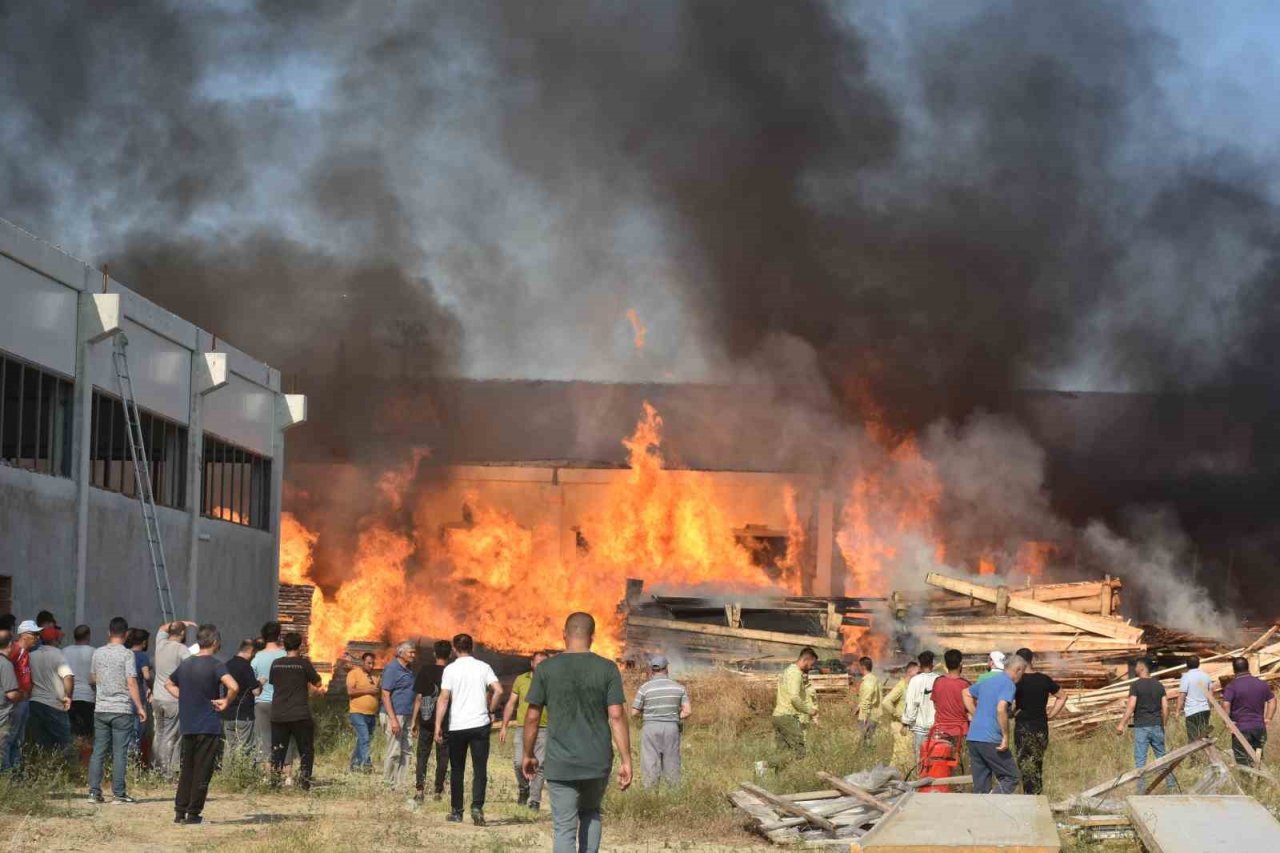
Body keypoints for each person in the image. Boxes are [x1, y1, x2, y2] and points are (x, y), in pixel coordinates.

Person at [523, 612, 631, 853]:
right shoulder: (607, 668)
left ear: (564, 635)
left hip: (560, 762)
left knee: (563, 826)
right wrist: (626, 759)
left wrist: (528, 753)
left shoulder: (546, 669)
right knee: (591, 813)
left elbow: (532, 716)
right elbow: (616, 715)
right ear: (592, 637)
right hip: (597, 760)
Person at [167, 624, 237, 824]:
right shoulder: (216, 665)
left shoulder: (186, 663)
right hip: (208, 724)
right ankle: (194, 814)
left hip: (188, 724)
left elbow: (168, 684)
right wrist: (226, 701)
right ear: (215, 642)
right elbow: (233, 686)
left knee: (187, 768)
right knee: (202, 770)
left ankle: (180, 811)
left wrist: (184, 696)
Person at [435, 633, 501, 825]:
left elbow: (444, 698)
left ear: (455, 649)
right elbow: (498, 690)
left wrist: (438, 724)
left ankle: (457, 811)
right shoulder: (483, 667)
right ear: (472, 647)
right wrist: (490, 710)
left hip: (457, 726)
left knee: (457, 769)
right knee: (480, 769)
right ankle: (477, 808)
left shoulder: (450, 669)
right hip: (479, 725)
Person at [88, 617, 146, 804]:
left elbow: (92, 679)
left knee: (98, 751)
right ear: (126, 634)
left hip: (101, 708)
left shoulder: (97, 653)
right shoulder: (127, 654)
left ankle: (94, 792)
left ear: (108, 632)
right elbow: (131, 681)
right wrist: (139, 706)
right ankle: (118, 793)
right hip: (121, 709)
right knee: (119, 752)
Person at [963, 653, 1026, 794]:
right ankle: (992, 801)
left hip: (973, 737)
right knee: (1012, 777)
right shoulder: (1008, 684)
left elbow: (966, 693)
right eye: (1023, 672)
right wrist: (1005, 736)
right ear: (1019, 669)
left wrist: (976, 714)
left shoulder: (989, 681)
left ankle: (982, 812)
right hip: (990, 738)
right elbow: (1001, 708)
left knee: (981, 786)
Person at [268, 632, 322, 791]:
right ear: (300, 645)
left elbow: (273, 683)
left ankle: (275, 783)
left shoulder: (276, 664)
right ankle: (304, 782)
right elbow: (318, 683)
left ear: (284, 645)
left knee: (278, 749)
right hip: (300, 714)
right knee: (305, 749)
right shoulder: (303, 664)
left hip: (278, 714)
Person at [630, 654, 690, 789]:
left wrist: (648, 714)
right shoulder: (679, 688)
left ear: (652, 670)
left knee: (650, 761)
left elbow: (634, 712)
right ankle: (673, 792)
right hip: (671, 728)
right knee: (672, 761)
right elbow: (687, 711)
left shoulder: (644, 688)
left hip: (650, 728)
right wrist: (675, 716)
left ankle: (650, 794)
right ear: (666, 668)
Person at [1011, 648, 1065, 795]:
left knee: (1024, 764)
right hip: (1041, 726)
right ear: (1032, 660)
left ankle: (1029, 797)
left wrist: (1012, 712)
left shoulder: (1017, 681)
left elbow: (1008, 704)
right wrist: (1051, 715)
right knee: (1037, 762)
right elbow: (1062, 697)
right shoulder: (1044, 679)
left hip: (1023, 727)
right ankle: (1037, 796)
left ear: (1018, 662)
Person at [1115, 657, 1173, 790]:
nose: (1135, 668)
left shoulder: (1136, 685)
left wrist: (1121, 724)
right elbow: (1165, 707)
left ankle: (1141, 790)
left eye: (1136, 666)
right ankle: (1171, 786)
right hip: (1157, 725)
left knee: (1140, 761)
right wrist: (1163, 724)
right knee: (1162, 758)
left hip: (1142, 727)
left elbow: (1131, 706)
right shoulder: (1159, 685)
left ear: (1141, 668)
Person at [502, 650, 551, 805]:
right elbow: (511, 703)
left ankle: (534, 800)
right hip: (522, 727)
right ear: (532, 663)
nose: (542, 665)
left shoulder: (553, 681)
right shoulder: (521, 680)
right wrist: (504, 726)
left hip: (544, 728)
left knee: (540, 763)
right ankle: (524, 789)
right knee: (518, 762)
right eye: (538, 662)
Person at [26, 618, 75, 763]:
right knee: (64, 741)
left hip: (35, 703)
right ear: (55, 640)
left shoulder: (31, 655)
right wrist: (68, 696)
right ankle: (69, 772)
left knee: (40, 743)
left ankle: (41, 769)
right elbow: (68, 677)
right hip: (54, 704)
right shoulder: (58, 654)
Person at [412, 640, 452, 802]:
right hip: (446, 720)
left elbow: (419, 698)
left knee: (422, 755)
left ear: (434, 653)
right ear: (450, 655)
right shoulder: (452, 672)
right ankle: (437, 791)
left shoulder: (426, 671)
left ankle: (420, 790)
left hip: (426, 719)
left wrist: (414, 720)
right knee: (443, 756)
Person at [153, 620, 194, 777]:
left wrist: (181, 622)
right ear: (183, 634)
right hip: (173, 698)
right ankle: (167, 772)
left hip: (157, 696)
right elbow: (191, 666)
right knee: (172, 736)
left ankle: (156, 767)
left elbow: (161, 627)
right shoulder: (182, 649)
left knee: (159, 733)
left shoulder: (160, 643)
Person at [1222, 656, 1276, 765]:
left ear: (1234, 669)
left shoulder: (1232, 686)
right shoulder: (1261, 684)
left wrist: (1228, 721)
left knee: (1242, 759)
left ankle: (1246, 781)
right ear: (1248, 667)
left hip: (1240, 728)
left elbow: (1226, 704)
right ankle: (1258, 780)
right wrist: (1268, 718)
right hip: (1259, 728)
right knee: (1258, 758)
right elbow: (1272, 700)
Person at [251, 621, 289, 771]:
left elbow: (252, 684)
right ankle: (287, 776)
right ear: (279, 636)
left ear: (263, 636)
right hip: (283, 703)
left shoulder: (257, 658)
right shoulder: (285, 655)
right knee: (285, 739)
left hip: (262, 704)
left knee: (264, 740)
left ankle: (267, 776)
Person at [381, 640, 418, 787]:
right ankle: (388, 783)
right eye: (411, 652)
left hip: (407, 714)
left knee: (407, 750)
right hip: (395, 714)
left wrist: (415, 720)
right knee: (394, 750)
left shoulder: (409, 669)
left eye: (414, 652)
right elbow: (385, 694)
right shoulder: (392, 669)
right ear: (401, 653)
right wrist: (393, 719)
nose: (414, 655)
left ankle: (400, 784)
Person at [772, 647, 819, 759]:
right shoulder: (796, 674)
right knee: (800, 752)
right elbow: (794, 698)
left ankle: (766, 769)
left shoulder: (787, 671)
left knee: (782, 752)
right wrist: (810, 710)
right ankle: (765, 765)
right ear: (807, 659)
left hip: (778, 716)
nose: (812, 667)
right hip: (788, 717)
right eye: (812, 664)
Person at [880, 660, 920, 776]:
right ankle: (892, 778)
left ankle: (901, 778)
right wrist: (900, 716)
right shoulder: (901, 685)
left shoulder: (910, 686)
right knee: (901, 755)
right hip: (900, 726)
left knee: (907, 755)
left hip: (907, 726)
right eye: (917, 673)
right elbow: (886, 701)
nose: (919, 676)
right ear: (910, 672)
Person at [4, 619, 34, 770]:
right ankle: (6, 774)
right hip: (15, 701)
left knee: (18, 739)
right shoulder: (15, 650)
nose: (37, 638)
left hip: (23, 700)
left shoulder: (25, 652)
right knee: (10, 738)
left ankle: (16, 773)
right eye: (35, 635)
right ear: (25, 635)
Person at [222, 639, 259, 762]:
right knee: (245, 747)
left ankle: (227, 776)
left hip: (228, 713)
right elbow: (256, 691)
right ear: (250, 651)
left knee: (229, 746)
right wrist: (260, 683)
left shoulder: (227, 664)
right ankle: (242, 775)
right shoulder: (246, 667)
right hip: (244, 714)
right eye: (254, 654)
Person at [903, 650, 940, 763]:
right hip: (937, 728)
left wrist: (907, 721)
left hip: (920, 727)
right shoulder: (939, 679)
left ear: (920, 665)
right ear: (932, 663)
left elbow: (911, 704)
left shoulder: (915, 681)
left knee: (920, 761)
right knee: (936, 760)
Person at [346, 651, 380, 772]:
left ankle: (355, 764)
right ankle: (367, 765)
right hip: (357, 712)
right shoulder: (353, 674)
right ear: (362, 662)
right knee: (364, 737)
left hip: (371, 714)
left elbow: (377, 693)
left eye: (372, 663)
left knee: (363, 739)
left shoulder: (376, 677)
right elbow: (350, 691)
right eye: (368, 663)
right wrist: (368, 691)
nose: (371, 666)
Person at [931, 649, 971, 749]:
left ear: (946, 663)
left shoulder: (938, 682)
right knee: (960, 762)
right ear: (960, 664)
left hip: (940, 730)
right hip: (960, 730)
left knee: (940, 762)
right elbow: (970, 709)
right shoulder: (965, 684)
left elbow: (935, 705)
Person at [64, 625, 96, 742]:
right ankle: (85, 758)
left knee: (72, 732)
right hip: (88, 696)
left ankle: (73, 757)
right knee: (87, 733)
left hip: (69, 696)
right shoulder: (94, 652)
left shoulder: (65, 651)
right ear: (88, 635)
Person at [127, 628, 154, 766]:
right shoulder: (142, 656)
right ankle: (133, 764)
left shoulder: (125, 654)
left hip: (123, 698)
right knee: (136, 733)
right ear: (144, 643)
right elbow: (147, 676)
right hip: (137, 699)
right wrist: (152, 686)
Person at [1176, 655, 1213, 742]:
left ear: (1187, 665)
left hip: (1192, 711)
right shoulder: (1206, 676)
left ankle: (1195, 755)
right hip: (1205, 710)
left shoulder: (1186, 677)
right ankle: (1206, 755)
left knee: (1193, 738)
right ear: (1198, 664)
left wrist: (1177, 711)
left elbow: (1182, 696)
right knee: (1204, 737)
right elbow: (1210, 694)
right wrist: (1209, 706)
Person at [0, 630, 21, 770]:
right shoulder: (5, 664)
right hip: (3, 717)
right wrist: (23, 695)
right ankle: (5, 784)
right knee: (3, 751)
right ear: (10, 644)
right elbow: (12, 694)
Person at [853, 656, 882, 744]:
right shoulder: (874, 679)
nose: (858, 668)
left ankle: (865, 756)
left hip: (868, 716)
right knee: (868, 740)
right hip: (873, 715)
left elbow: (867, 701)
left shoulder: (868, 682)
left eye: (859, 666)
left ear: (863, 667)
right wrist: (858, 707)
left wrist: (864, 718)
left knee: (864, 741)